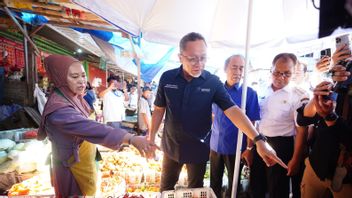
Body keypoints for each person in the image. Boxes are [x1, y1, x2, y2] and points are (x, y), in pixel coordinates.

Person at [148, 32, 287, 192]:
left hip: (198, 149)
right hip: (171, 146)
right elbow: (159, 109)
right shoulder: (167, 78)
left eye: (203, 58)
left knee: (196, 191)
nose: (198, 64)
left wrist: (258, 140)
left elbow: (233, 110)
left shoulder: (212, 82)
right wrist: (151, 138)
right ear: (180, 57)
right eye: (192, 58)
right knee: (165, 189)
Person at [38, 55, 155, 197]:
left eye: (83, 75)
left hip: (84, 162)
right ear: (60, 78)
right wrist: (131, 139)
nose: (82, 81)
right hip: (71, 170)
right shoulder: (59, 110)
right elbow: (90, 127)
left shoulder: (73, 97)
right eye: (74, 77)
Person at [250, 53, 309, 198]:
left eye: (286, 74)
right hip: (260, 141)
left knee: (277, 190)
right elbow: (255, 121)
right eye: (277, 72)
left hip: (282, 145)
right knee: (256, 187)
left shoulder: (299, 95)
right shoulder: (262, 89)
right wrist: (250, 147)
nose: (280, 77)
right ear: (271, 69)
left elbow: (301, 131)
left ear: (294, 73)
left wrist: (295, 159)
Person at [297, 52, 352, 198]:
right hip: (316, 166)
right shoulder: (342, 73)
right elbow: (304, 118)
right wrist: (317, 96)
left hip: (347, 178)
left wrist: (330, 117)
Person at [210, 54, 260, 198]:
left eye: (241, 68)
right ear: (225, 68)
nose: (238, 72)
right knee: (214, 184)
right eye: (234, 67)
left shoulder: (249, 94)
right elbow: (212, 115)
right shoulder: (216, 90)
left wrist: (249, 148)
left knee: (234, 186)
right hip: (215, 146)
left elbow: (253, 123)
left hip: (236, 148)